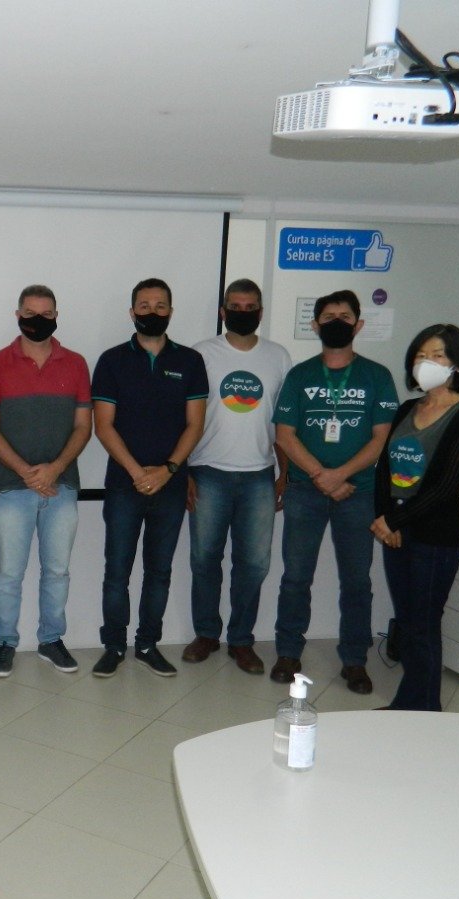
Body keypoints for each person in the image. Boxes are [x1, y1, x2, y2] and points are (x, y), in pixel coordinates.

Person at [272, 290, 398, 693]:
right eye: (328, 317)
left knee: (357, 581)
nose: (337, 322)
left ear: (358, 324)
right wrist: (320, 475)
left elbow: (382, 438)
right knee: (295, 577)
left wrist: (340, 475)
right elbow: (284, 434)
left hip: (358, 492)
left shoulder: (377, 376)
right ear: (315, 326)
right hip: (304, 491)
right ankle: (288, 652)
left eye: (345, 316)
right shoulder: (300, 375)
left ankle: (355, 660)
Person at [90, 278, 207, 678]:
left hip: (171, 485)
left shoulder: (190, 361)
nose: (152, 312)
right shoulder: (111, 361)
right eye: (144, 305)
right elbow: (104, 426)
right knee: (117, 572)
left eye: (160, 306)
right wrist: (139, 472)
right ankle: (113, 646)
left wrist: (167, 470)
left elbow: (195, 425)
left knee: (159, 572)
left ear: (170, 312)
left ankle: (147, 644)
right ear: (132, 312)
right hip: (125, 483)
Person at [0, 284, 92, 678]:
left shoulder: (76, 364)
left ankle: (50, 640)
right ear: (18, 315)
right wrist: (28, 473)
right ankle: (5, 642)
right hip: (13, 487)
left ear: (56, 316)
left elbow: (83, 427)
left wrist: (54, 468)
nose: (37, 320)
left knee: (57, 570)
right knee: (9, 572)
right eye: (29, 313)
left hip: (62, 485)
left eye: (46, 314)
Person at [182, 279, 292, 675]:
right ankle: (207, 634)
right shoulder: (201, 354)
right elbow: (185, 417)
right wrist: (183, 471)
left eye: (250, 306)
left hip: (259, 475)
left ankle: (241, 640)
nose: (242, 312)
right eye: (235, 306)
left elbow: (284, 422)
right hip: (208, 471)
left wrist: (284, 473)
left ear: (260, 312)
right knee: (204, 560)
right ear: (223, 311)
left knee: (255, 564)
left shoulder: (278, 357)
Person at [372, 325, 459, 710]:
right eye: (421, 355)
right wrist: (385, 518)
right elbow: (385, 470)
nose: (426, 362)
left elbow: (446, 487)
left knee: (423, 627)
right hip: (396, 534)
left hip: (435, 539)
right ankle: (408, 706)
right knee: (407, 624)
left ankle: (426, 712)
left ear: (457, 364)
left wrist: (396, 522)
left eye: (437, 355)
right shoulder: (408, 409)